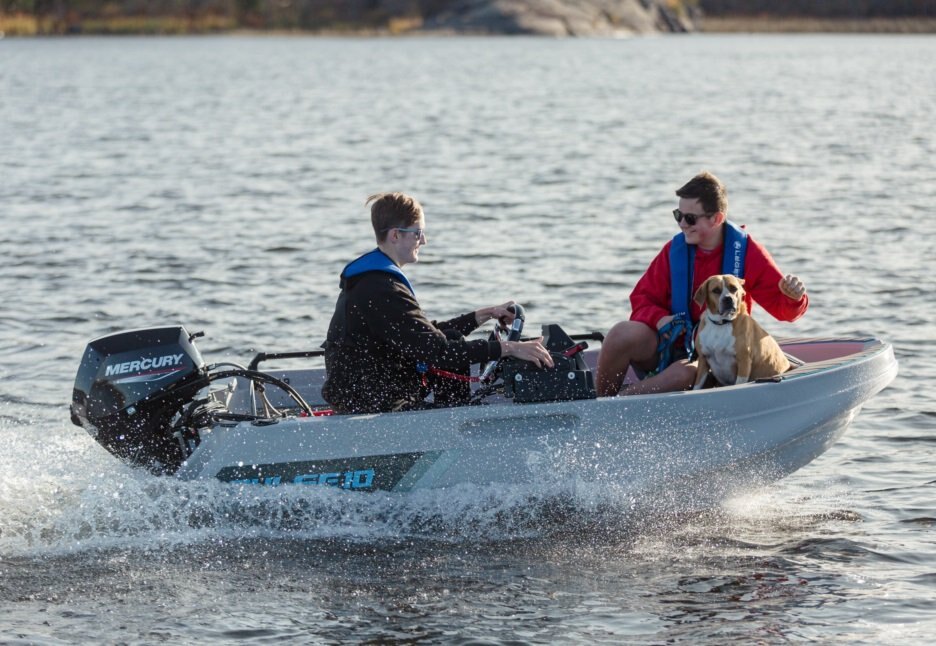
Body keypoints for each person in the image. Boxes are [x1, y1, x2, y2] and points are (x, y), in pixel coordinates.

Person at [322, 192, 554, 414]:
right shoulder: (381, 288)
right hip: (369, 402)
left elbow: (425, 337)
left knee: (452, 337)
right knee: (452, 349)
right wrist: (511, 348)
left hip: (368, 390)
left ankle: (454, 419)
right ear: (395, 235)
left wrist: (486, 314)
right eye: (417, 233)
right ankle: (455, 427)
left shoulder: (376, 279)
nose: (423, 240)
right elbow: (439, 352)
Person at [596, 171, 808, 397]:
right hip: (670, 345)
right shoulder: (673, 251)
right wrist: (659, 319)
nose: (681, 224)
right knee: (620, 334)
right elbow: (641, 299)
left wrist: (794, 298)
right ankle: (599, 402)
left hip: (712, 356)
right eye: (678, 215)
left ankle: (620, 403)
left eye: (690, 218)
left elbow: (784, 311)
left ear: (716, 218)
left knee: (684, 375)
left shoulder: (747, 253)